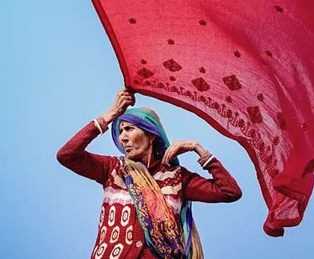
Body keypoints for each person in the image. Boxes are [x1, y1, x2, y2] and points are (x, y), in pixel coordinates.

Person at [57, 88, 242, 258]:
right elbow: (67, 155)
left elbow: (230, 191)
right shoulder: (114, 169)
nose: (123, 137)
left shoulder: (177, 178)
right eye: (120, 131)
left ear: (151, 134)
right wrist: (111, 114)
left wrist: (198, 149)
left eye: (129, 129)